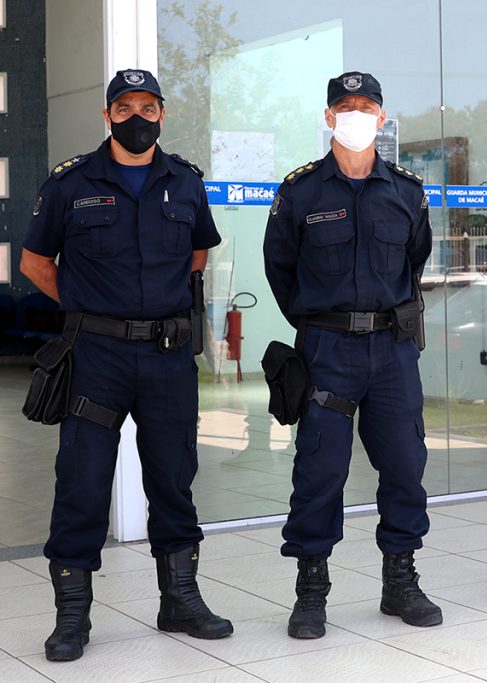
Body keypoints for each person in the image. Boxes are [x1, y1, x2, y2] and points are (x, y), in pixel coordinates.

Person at [20, 69, 231, 662]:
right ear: (107, 115)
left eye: (147, 107)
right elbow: (35, 262)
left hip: (167, 356)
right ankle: (72, 616)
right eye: (124, 108)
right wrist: (86, 303)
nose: (137, 118)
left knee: (173, 479)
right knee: (82, 482)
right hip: (97, 356)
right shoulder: (70, 183)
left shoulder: (185, 182)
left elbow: (198, 252)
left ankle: (180, 600)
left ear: (162, 113)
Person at [263, 71, 441, 636]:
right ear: (329, 117)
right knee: (319, 471)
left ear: (381, 117)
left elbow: (414, 262)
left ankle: (401, 582)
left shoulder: (406, 191)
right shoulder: (301, 191)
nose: (356, 115)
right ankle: (311, 592)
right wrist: (319, 323)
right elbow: (280, 269)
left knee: (405, 466)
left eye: (366, 107)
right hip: (328, 348)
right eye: (345, 106)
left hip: (392, 349)